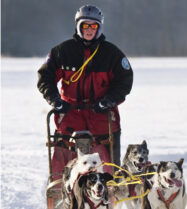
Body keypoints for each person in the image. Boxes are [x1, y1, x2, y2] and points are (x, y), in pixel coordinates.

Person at [37, 5, 133, 166]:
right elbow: (45, 77)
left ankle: (109, 184)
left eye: (93, 26)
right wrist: (55, 100)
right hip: (70, 111)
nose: (89, 30)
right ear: (78, 26)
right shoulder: (62, 51)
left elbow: (124, 81)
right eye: (85, 25)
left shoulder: (112, 54)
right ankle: (59, 184)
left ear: (99, 27)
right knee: (63, 155)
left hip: (101, 111)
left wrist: (109, 101)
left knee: (107, 163)